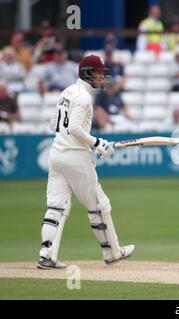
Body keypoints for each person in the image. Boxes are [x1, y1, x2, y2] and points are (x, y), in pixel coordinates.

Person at [37, 55, 135, 269]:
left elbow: (53, 124)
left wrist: (84, 142)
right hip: (75, 157)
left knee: (56, 207)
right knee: (99, 205)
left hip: (56, 154)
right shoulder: (83, 97)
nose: (102, 77)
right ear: (88, 73)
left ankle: (46, 255)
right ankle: (112, 253)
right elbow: (74, 128)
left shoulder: (67, 91)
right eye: (99, 73)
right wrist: (97, 143)